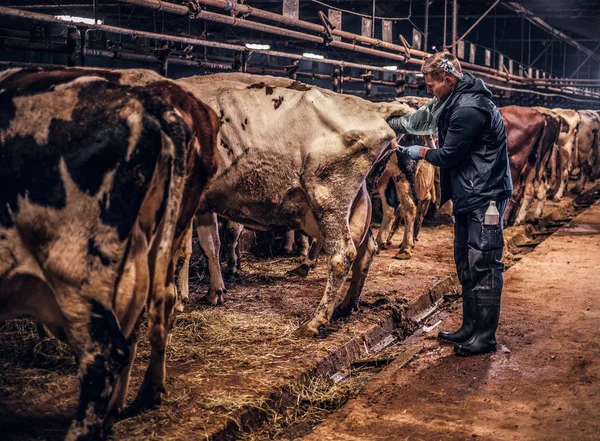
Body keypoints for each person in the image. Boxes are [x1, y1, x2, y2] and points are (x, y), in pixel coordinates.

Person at [387, 52, 513, 356]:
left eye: (431, 85)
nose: (429, 91)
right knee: (465, 261)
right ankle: (470, 326)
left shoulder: (469, 108)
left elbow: (449, 156)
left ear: (448, 80)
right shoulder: (455, 99)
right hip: (470, 194)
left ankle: (485, 337)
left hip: (487, 198)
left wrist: (417, 152)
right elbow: (426, 117)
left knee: (483, 262)